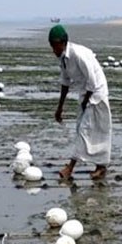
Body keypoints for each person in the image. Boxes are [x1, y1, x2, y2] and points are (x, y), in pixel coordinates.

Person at [48, 24, 112, 180]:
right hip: (85, 93)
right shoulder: (63, 59)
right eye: (52, 46)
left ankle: (70, 168)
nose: (53, 50)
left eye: (55, 46)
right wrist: (60, 108)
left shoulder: (78, 54)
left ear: (62, 43)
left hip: (96, 92)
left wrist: (87, 101)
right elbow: (65, 82)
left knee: (87, 130)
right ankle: (100, 167)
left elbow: (92, 79)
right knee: (83, 129)